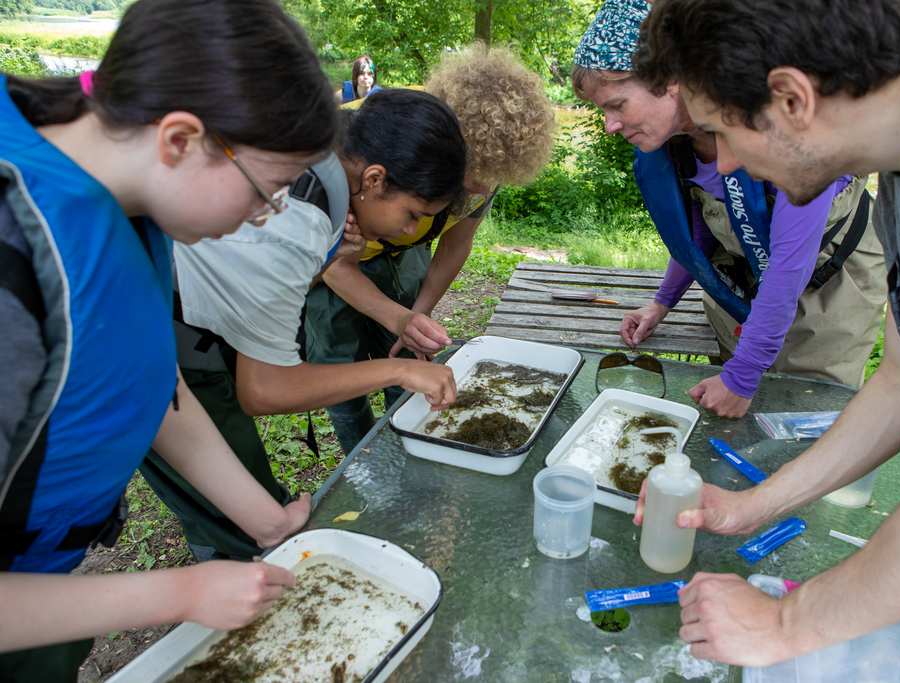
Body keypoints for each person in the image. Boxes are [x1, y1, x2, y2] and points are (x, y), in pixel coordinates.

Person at [631, 0, 900, 668]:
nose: (722, 165)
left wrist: (788, 619)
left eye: (724, 131)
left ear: (791, 98)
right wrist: (754, 505)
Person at [0, 0, 338, 679]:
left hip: (51, 578)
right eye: (266, 191)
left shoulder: (129, 199)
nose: (262, 219)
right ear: (180, 139)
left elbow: (153, 384)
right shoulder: (15, 266)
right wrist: (178, 590)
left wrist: (266, 524)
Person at [142, 89, 467, 562]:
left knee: (241, 500)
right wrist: (398, 372)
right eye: (412, 214)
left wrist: (335, 252)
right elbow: (265, 390)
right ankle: (224, 571)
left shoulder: (323, 158)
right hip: (164, 348)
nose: (405, 233)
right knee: (238, 519)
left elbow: (270, 289)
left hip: (187, 336)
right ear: (374, 178)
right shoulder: (303, 215)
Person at [572, 0, 887, 418]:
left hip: (827, 286)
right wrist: (663, 302)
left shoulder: (790, 125)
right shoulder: (676, 138)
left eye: (617, 104)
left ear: (670, 78)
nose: (610, 125)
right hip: (741, 290)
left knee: (807, 414)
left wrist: (743, 375)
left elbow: (788, 267)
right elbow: (697, 233)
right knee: (734, 424)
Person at [306, 43, 557, 455]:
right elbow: (332, 261)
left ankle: (403, 443)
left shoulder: (482, 184)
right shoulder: (387, 155)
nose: (480, 186)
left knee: (408, 358)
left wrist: (415, 315)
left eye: (495, 176)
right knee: (338, 361)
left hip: (402, 259)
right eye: (471, 168)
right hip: (339, 264)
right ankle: (360, 458)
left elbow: (458, 242)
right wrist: (396, 315)